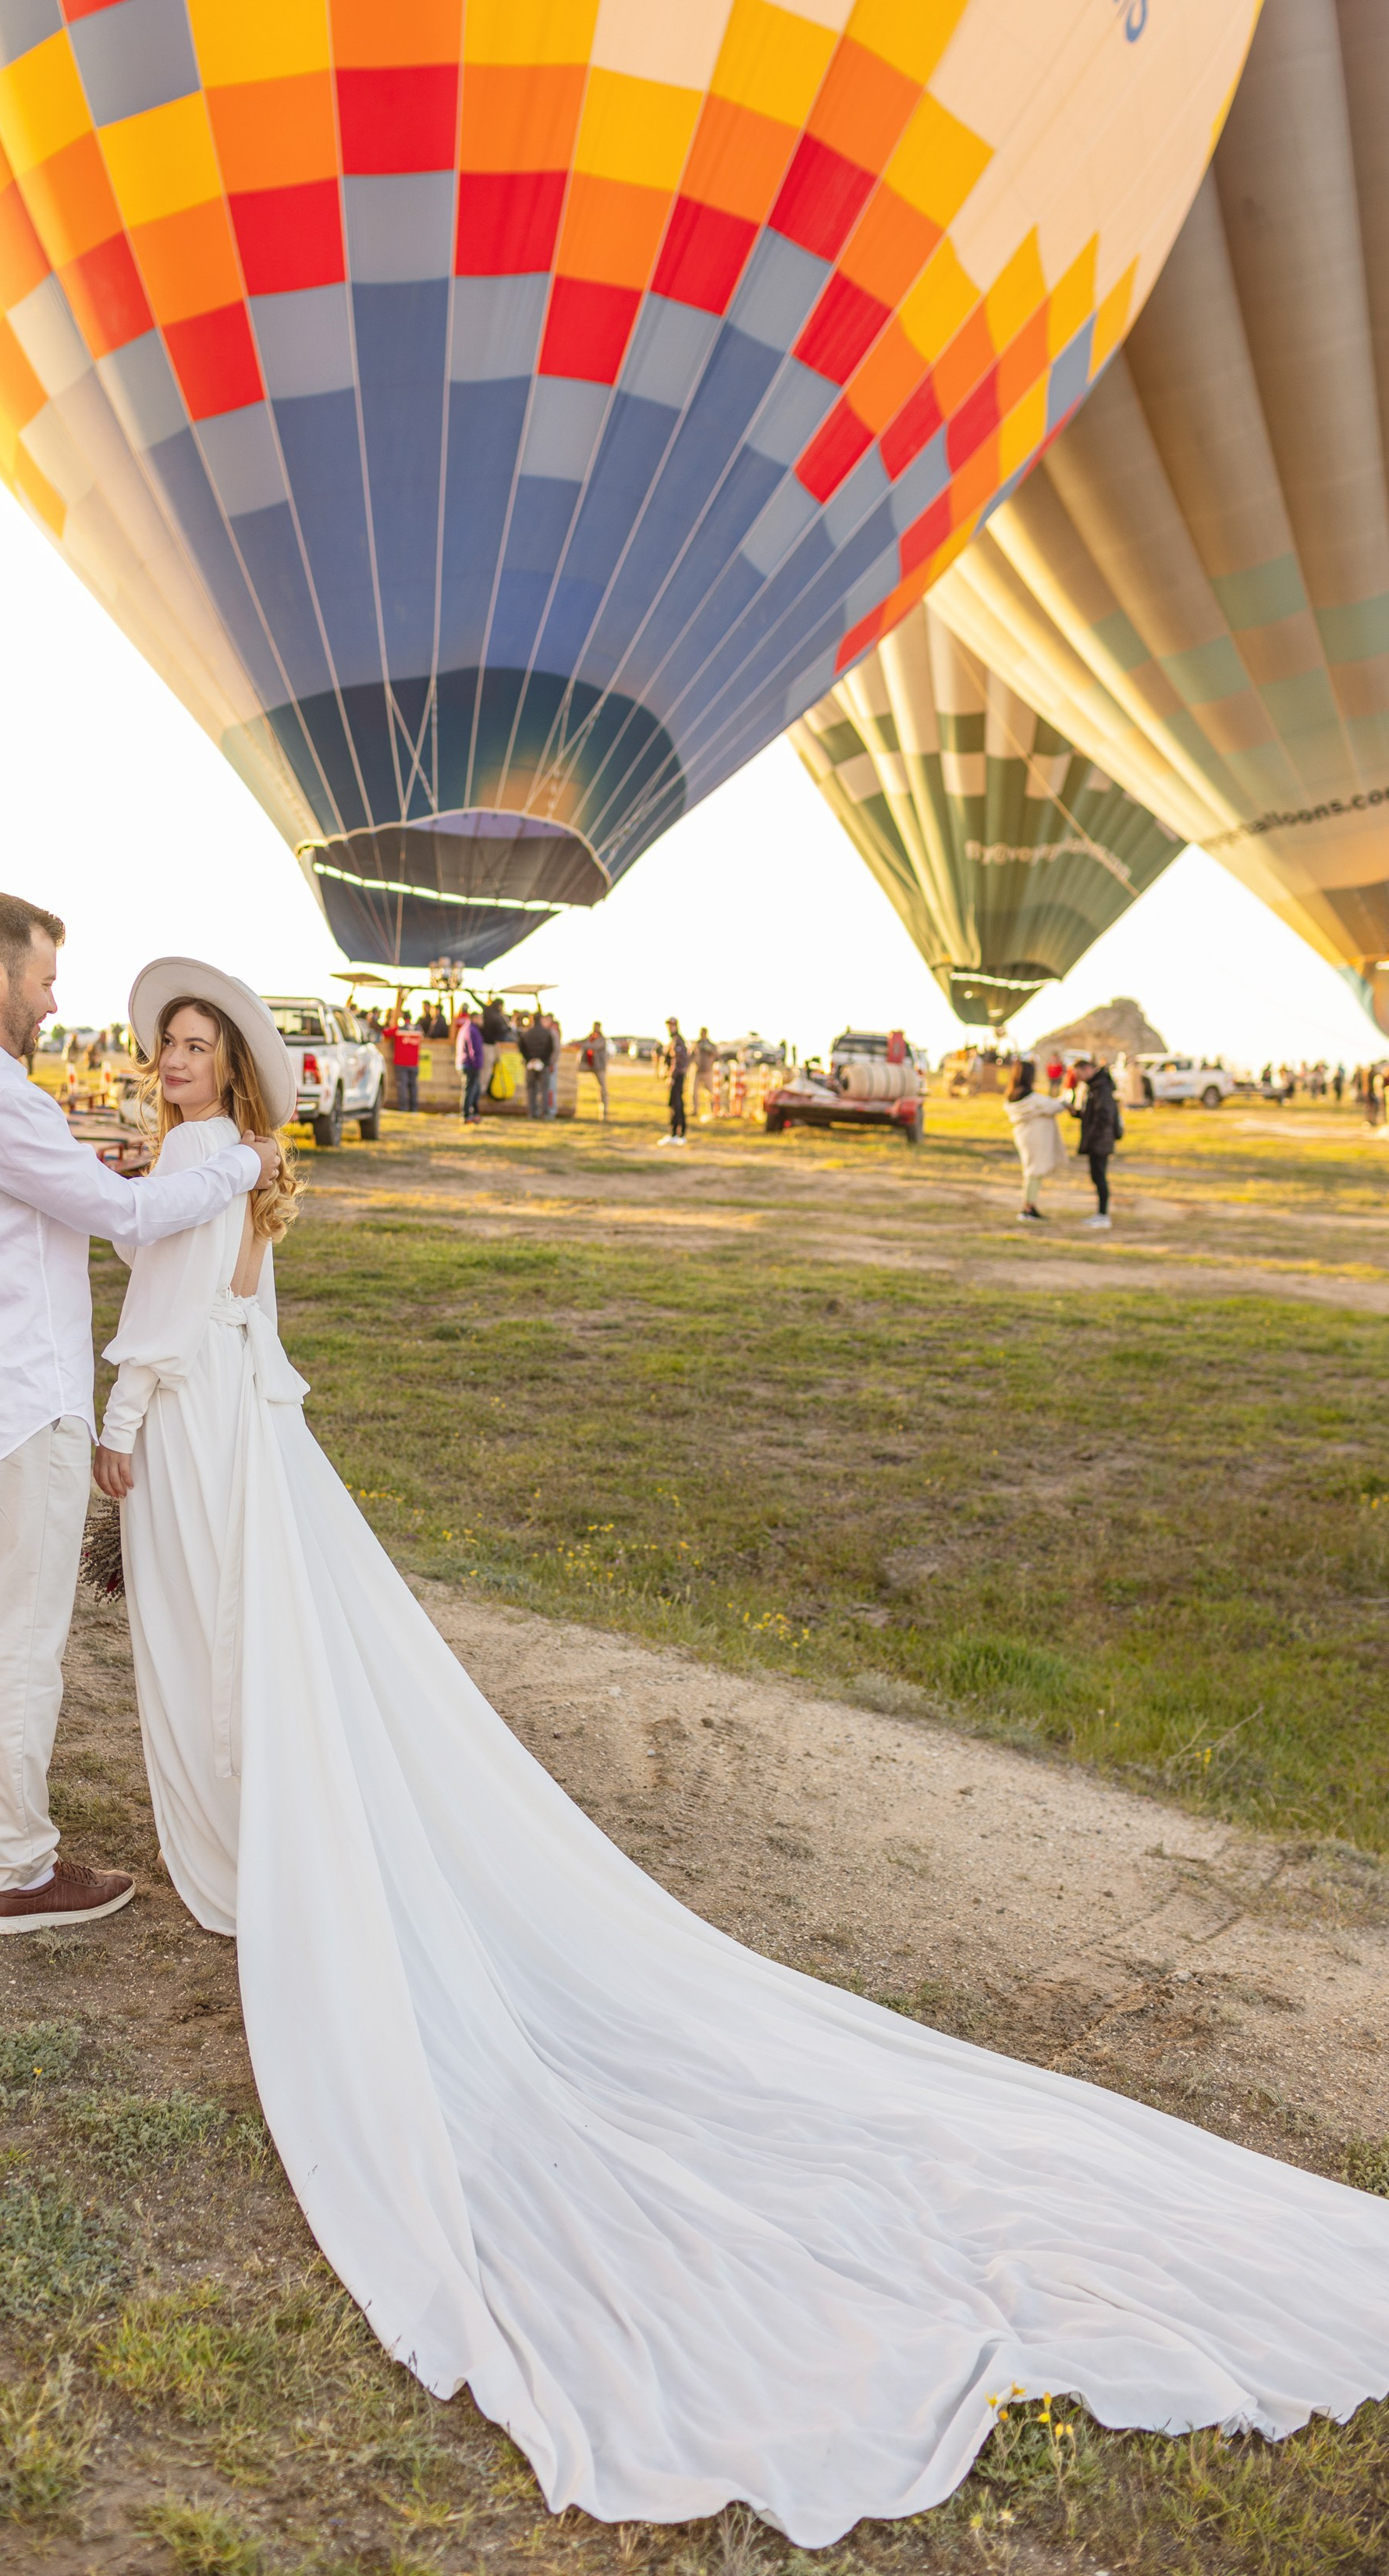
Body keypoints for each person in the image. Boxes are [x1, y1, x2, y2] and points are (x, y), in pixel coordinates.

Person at [88, 949, 1389, 2553]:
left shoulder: (203, 1162)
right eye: (169, 1046)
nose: (178, 1063)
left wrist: (114, 1422)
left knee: (233, 1655)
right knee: (259, 1662)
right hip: (244, 1427)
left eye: (201, 1046)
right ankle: (256, 1843)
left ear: (238, 1071)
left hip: (204, 1428)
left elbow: (153, 1283)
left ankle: (253, 1854)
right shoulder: (237, 1164)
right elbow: (204, 1283)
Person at [0, 894, 277, 1934]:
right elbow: (131, 1219)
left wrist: (91, 1176)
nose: (55, 1000)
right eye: (45, 977)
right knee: (21, 1637)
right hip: (15, 1405)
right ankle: (18, 1868)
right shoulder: (2, 1098)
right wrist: (241, 1164)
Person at [1004, 1058, 1065, 1221]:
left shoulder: (1012, 1096)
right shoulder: (1032, 1099)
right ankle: (1028, 1207)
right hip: (1034, 1138)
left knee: (1031, 1172)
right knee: (1033, 1172)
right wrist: (1066, 1100)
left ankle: (1030, 1205)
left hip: (1023, 1136)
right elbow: (1053, 1106)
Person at [1070, 1055, 1121, 1229]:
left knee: (1100, 1177)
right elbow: (1093, 1114)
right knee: (1097, 1176)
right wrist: (1076, 1113)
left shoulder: (1101, 1088)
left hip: (1100, 1140)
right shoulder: (1095, 1087)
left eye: (1079, 1074)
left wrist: (1093, 1134)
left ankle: (1103, 1215)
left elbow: (1104, 1115)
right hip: (1098, 1139)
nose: (1080, 1079)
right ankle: (1100, 1213)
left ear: (1088, 1069)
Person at [520, 1009, 555, 1119]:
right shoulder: (546, 1033)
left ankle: (531, 1112)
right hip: (543, 1065)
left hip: (530, 1064)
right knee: (544, 1089)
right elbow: (550, 1048)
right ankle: (544, 1113)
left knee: (531, 1090)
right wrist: (542, 1061)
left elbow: (521, 1047)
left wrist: (529, 1059)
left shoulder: (527, 1033)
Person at [660, 1016, 690, 1143]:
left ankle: (676, 1133)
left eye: (671, 1025)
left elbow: (677, 1061)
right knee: (676, 1103)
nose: (669, 1028)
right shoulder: (673, 1040)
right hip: (676, 1076)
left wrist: (672, 1076)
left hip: (677, 1077)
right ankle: (677, 1133)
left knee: (675, 1104)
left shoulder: (678, 1041)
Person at [456, 1006, 485, 1123]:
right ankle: (466, 1115)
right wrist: (477, 1064)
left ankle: (474, 1114)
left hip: (464, 1063)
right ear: (475, 1018)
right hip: (470, 1064)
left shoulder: (466, 1028)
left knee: (474, 1090)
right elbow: (474, 1049)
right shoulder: (472, 1030)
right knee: (470, 1090)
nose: (482, 1020)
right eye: (481, 1018)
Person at [389, 1014, 421, 1114]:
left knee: (402, 1085)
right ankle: (414, 1108)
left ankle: (403, 1107)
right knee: (413, 1085)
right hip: (414, 1062)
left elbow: (386, 1033)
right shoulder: (418, 1029)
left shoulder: (399, 1029)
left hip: (401, 1062)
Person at [578, 1022, 609, 1121]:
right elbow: (583, 1042)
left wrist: (584, 1044)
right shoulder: (590, 1037)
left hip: (599, 1066)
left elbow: (593, 1046)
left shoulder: (602, 1039)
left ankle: (604, 1112)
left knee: (602, 1088)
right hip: (588, 1064)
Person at [692, 1025, 717, 1121]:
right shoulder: (697, 1043)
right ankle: (695, 1110)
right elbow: (692, 1055)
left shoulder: (710, 1044)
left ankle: (712, 1109)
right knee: (694, 1092)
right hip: (697, 1071)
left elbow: (715, 1054)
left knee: (710, 1092)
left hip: (707, 1071)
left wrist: (708, 1049)